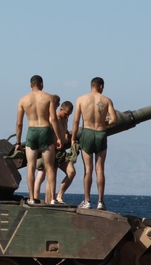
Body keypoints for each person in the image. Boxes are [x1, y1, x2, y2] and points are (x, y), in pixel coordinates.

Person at [15, 75, 62, 205]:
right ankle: (52, 198)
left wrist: (18, 142)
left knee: (31, 166)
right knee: (49, 167)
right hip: (45, 130)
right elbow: (53, 119)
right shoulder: (48, 98)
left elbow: (19, 123)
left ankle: (31, 198)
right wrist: (58, 137)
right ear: (41, 84)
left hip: (32, 131)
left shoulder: (23, 100)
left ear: (31, 85)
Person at [71, 77, 118, 210]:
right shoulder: (106, 100)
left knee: (88, 169)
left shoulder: (81, 99)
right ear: (101, 86)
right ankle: (100, 202)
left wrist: (73, 138)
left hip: (86, 133)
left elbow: (75, 122)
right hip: (100, 133)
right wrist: (105, 123)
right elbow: (114, 119)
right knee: (100, 169)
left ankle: (87, 201)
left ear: (91, 85)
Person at [52, 99, 79, 205]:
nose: (67, 116)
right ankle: (50, 199)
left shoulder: (65, 120)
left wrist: (69, 136)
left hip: (62, 151)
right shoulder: (54, 119)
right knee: (52, 175)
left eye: (69, 115)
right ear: (61, 109)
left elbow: (64, 130)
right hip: (53, 150)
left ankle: (59, 196)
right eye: (66, 113)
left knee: (71, 172)